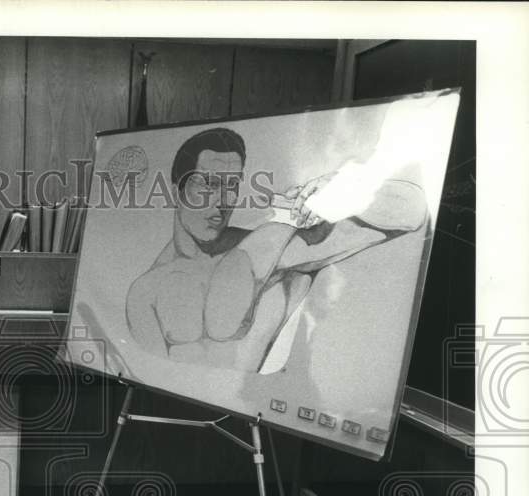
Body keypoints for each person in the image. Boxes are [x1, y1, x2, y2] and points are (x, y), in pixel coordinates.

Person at [125, 127, 428, 374]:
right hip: (185, 423)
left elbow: (412, 212)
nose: (221, 201)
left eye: (231, 185)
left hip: (257, 413)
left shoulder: (272, 248)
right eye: (208, 184)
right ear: (177, 186)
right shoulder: (147, 292)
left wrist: (340, 187)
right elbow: (153, 379)